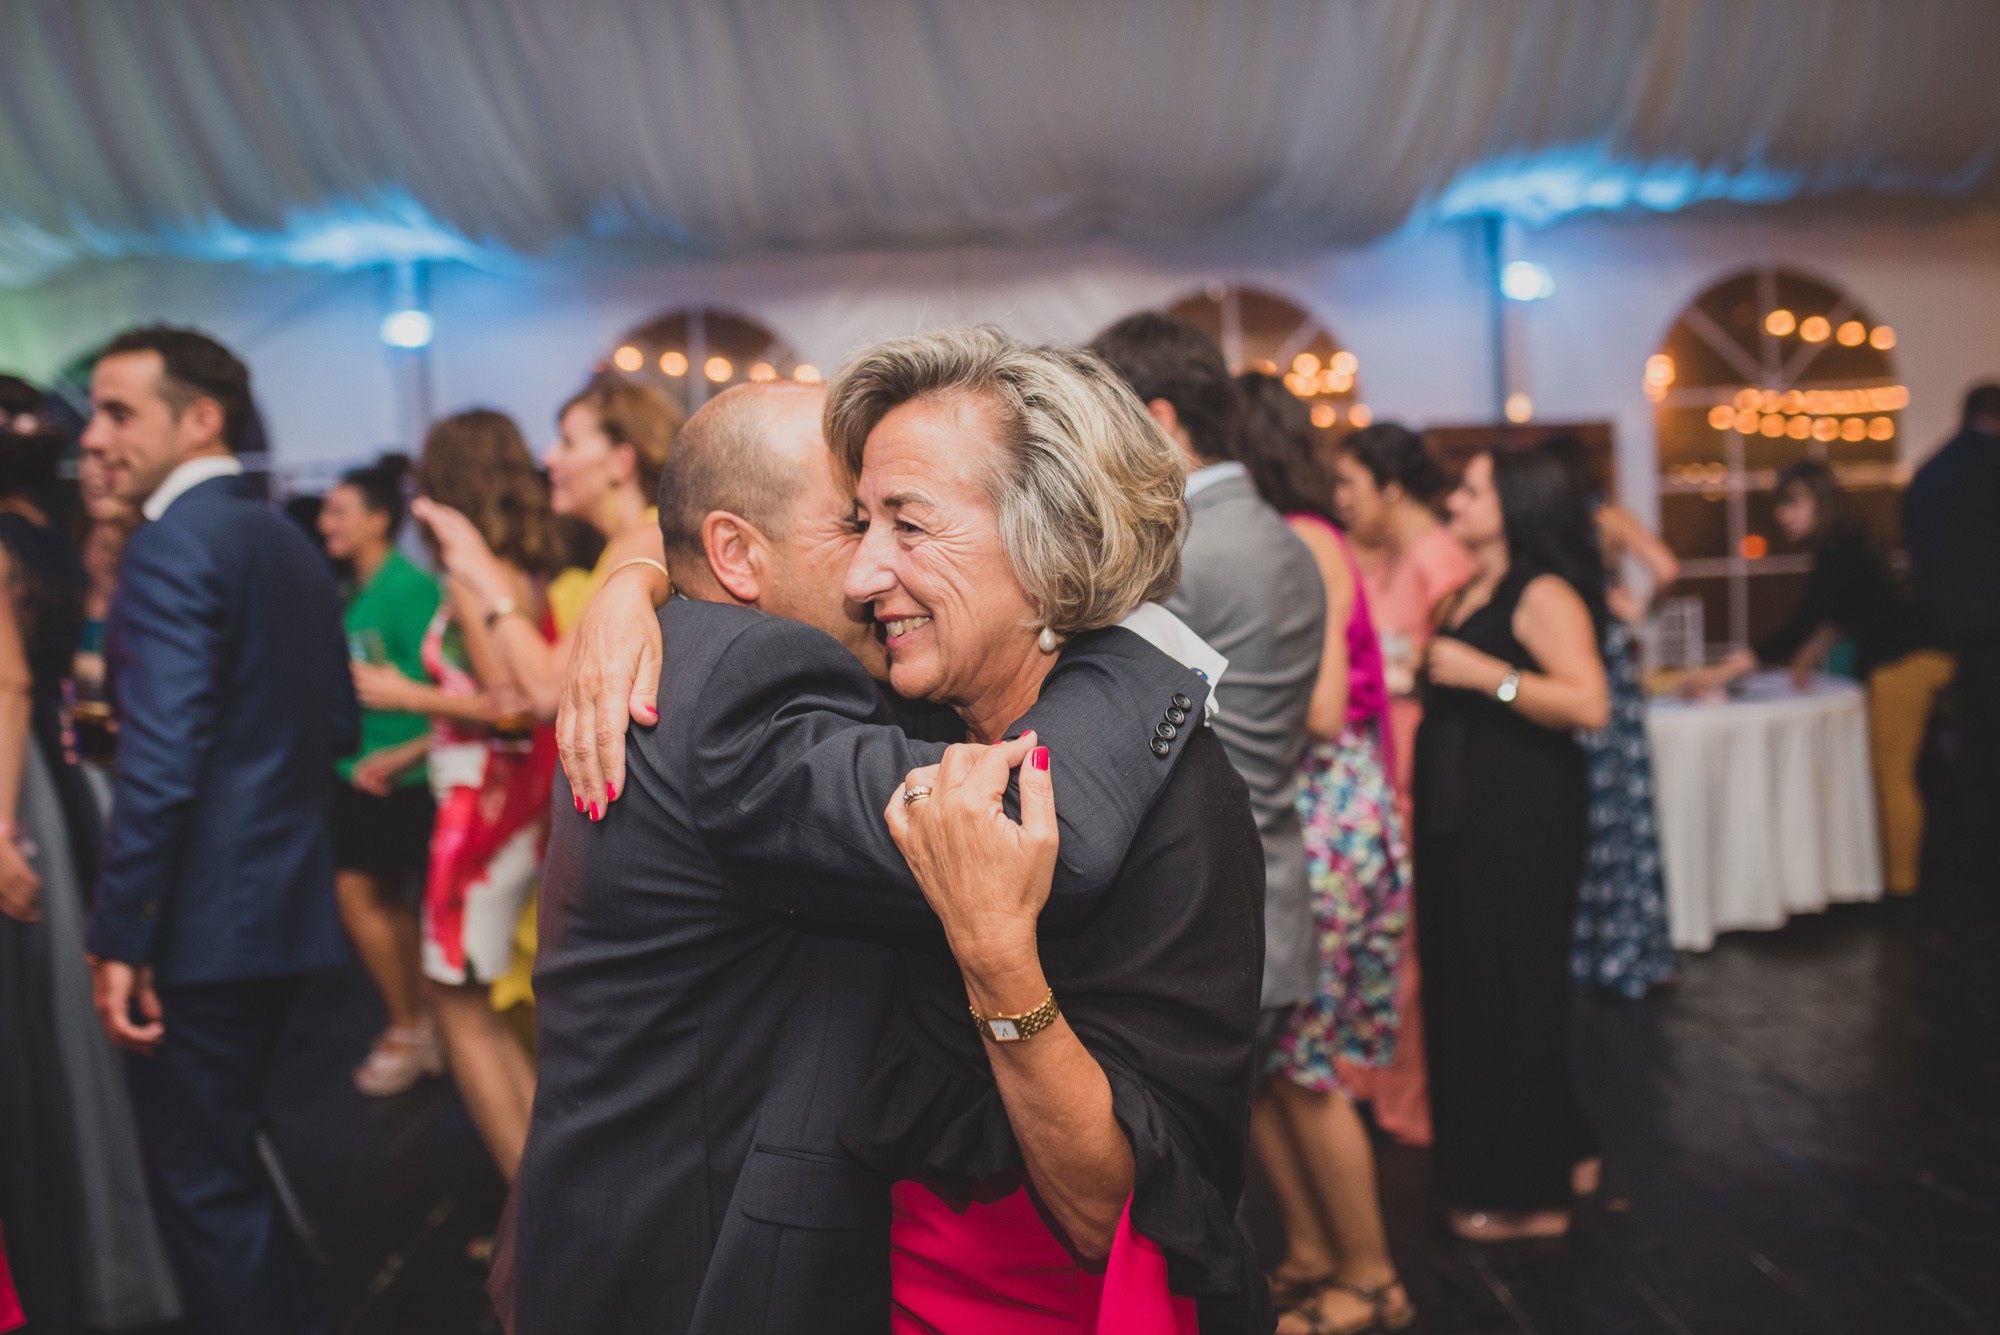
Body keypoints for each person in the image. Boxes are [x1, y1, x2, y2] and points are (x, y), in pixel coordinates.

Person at [509, 369, 1241, 1334]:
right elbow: (1010, 825)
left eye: (900, 523)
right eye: (855, 523)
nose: (865, 571)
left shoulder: (854, 686)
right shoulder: (749, 680)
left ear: (1038, 541)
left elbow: (1139, 1184)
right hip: (693, 1257)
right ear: (734, 552)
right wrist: (1155, 642)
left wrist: (637, 573)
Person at [82, 326, 357, 1334]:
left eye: (119, 412)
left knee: (204, 1188)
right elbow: (337, 723)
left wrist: (121, 934)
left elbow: (162, 765)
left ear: (201, 419)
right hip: (285, 904)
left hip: (201, 920)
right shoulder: (281, 536)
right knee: (237, 1167)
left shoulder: (169, 543)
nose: (93, 438)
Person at [1088, 313, 1325, 1043]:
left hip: (1210, 906)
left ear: (1160, 421)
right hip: (1275, 883)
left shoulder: (1182, 551)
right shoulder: (1284, 535)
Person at [0, 381, 181, 1332]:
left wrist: (2, 827)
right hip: (61, 774)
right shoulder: (54, 542)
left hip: (18, 782)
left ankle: (59, 1253)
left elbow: (10, 682)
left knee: (41, 1026)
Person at [1235, 373, 1414, 1334]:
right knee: (1265, 1060)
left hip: (1324, 812)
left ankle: (1375, 1276)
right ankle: (1312, 1251)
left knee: (1308, 1059)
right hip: (1294, 808)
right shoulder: (1282, 536)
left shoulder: (1304, 538)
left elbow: (1320, 706)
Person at [352, 409, 561, 1182]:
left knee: (459, 1004)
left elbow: (513, 707)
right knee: (472, 1003)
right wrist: (415, 745)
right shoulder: (518, 568)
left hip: (484, 816)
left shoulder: (475, 580)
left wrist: (404, 696)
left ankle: (533, 1209)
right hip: (502, 804)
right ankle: (542, 1200)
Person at [1417, 448, 1609, 1241]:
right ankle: (1569, 1149)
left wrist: (1487, 674)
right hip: (1462, 816)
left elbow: (1589, 702)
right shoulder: (1470, 590)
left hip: (1520, 817)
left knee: (1512, 989)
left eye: (1472, 490)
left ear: (1516, 503)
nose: (1455, 501)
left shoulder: (1542, 592)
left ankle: (1534, 1199)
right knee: (1477, 983)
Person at [1683, 460, 1948, 896]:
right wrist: (1808, 654)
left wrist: (1721, 672)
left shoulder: (1840, 550)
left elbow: (1802, 621)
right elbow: (1844, 608)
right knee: (1891, 772)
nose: (1782, 515)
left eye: (1792, 503)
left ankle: (1902, 887)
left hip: (1907, 660)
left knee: (1891, 774)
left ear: (1819, 500)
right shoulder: (1846, 542)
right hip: (1914, 654)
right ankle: (1894, 879)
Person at [1326, 421, 1471, 1148]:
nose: (1340, 498)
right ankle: (1373, 1084)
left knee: (1409, 949)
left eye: (1350, 483)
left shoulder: (1442, 565)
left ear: (1390, 487)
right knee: (1382, 940)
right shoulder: (1378, 558)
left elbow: (1450, 673)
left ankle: (1409, 1104)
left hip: (1420, 769)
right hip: (1382, 770)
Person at [319, 464, 445, 1096]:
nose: (326, 523)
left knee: (360, 896)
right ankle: (423, 1027)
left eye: (339, 511)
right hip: (362, 769)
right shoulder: (356, 586)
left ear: (378, 518)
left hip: (401, 774)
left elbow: (457, 687)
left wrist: (407, 754)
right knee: (386, 901)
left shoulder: (408, 586)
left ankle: (410, 1028)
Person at [1539, 435, 1676, 1000]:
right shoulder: (1609, 519)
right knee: (1622, 810)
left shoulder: (1546, 529)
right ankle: (1629, 945)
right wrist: (1640, 611)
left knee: (1576, 808)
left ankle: (1580, 949)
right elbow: (1665, 568)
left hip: (1563, 666)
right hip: (1610, 670)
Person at [1903, 383, 2000, 888]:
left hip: (1945, 633)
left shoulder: (1929, 472)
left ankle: (1973, 861)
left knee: (1972, 749)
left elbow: (1917, 558)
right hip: (1993, 631)